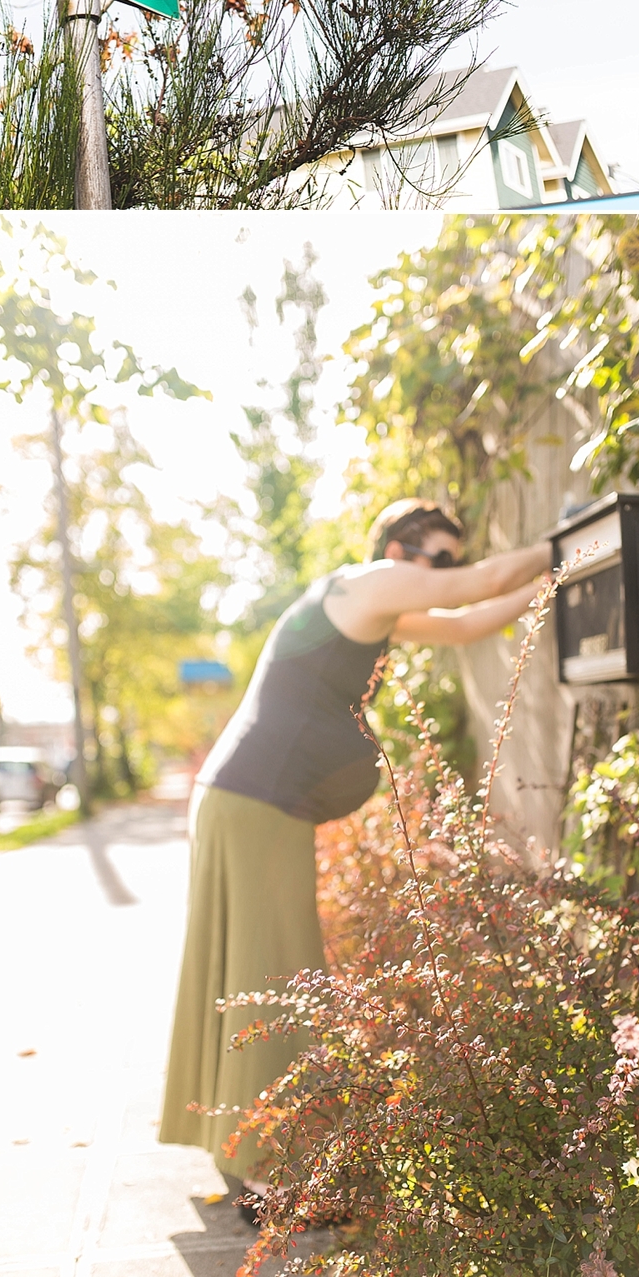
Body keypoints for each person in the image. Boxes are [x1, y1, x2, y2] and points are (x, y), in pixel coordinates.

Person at [158, 499, 551, 1210]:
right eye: (439, 558)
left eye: (451, 561)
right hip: (257, 800)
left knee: (245, 962)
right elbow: (481, 583)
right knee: (277, 968)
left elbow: (468, 622)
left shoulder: (368, 600)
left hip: (241, 794)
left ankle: (238, 1145)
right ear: (399, 550)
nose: (449, 571)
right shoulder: (370, 581)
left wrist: (554, 579)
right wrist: (564, 541)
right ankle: (271, 1173)